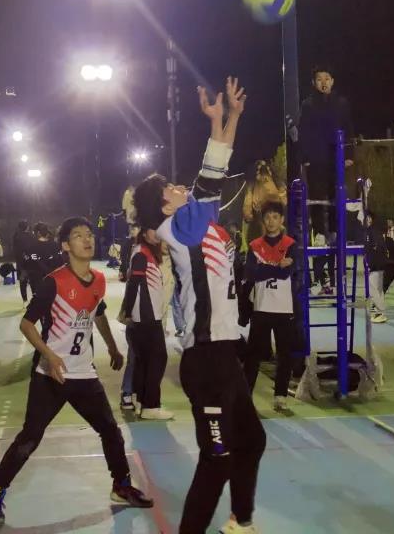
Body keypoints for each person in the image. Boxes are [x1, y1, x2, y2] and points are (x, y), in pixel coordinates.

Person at [133, 76, 266, 534]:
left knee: (251, 441)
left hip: (225, 352)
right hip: (207, 359)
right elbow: (211, 172)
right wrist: (219, 121)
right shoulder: (180, 228)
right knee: (217, 458)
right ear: (165, 207)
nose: (180, 187)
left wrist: (229, 117)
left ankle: (240, 521)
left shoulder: (195, 223)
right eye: (172, 187)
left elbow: (215, 172)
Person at [0, 217, 153, 522]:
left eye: (89, 234)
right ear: (65, 245)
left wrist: (112, 347)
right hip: (51, 375)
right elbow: (27, 324)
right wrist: (49, 355)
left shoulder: (98, 280)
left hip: (84, 374)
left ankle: (121, 486)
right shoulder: (54, 282)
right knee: (30, 437)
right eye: (78, 235)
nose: (87, 239)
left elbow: (97, 313)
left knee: (111, 431)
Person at [240, 200, 298, 411]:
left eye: (275, 217)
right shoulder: (255, 246)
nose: (271, 221)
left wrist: (265, 268)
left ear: (281, 220)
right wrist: (277, 267)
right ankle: (246, 396)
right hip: (261, 308)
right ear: (263, 221)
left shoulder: (290, 244)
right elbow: (251, 273)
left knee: (285, 354)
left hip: (284, 308)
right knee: (253, 356)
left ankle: (280, 396)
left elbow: (287, 273)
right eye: (267, 217)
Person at [118, 228, 173, 420]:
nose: (158, 234)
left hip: (147, 316)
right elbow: (133, 283)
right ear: (144, 233)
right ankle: (151, 405)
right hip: (146, 317)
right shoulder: (142, 253)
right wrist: (128, 313)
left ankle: (140, 399)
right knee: (158, 359)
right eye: (153, 230)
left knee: (144, 361)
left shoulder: (147, 252)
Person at [298, 65, 354, 252]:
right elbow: (303, 132)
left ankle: (336, 231)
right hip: (316, 158)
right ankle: (320, 232)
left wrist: (349, 155)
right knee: (316, 196)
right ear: (314, 83)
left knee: (336, 194)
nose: (323, 82)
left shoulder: (341, 103)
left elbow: (348, 129)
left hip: (336, 157)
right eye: (319, 79)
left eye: (327, 79)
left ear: (332, 81)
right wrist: (304, 156)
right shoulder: (307, 105)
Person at [242, 159, 287, 243]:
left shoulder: (274, 179)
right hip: (263, 214)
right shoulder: (253, 183)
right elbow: (284, 198)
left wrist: (248, 215)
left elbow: (284, 198)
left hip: (268, 212)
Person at [363, 214, 390, 323]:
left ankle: (380, 313)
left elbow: (376, 247)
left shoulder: (372, 231)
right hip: (380, 264)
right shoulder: (374, 230)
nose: (367, 220)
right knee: (378, 289)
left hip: (377, 264)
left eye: (368, 218)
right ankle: (380, 312)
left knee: (373, 289)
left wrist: (372, 263)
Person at [23, 222, 64, 287]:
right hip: (55, 280)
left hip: (37, 282)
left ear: (38, 233)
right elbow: (61, 262)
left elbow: (27, 264)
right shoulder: (55, 245)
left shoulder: (31, 247)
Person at [11, 220, 34, 304]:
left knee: (23, 282)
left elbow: (15, 250)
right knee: (33, 281)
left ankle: (24, 300)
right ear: (27, 227)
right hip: (31, 263)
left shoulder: (16, 236)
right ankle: (35, 298)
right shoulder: (31, 236)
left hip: (21, 263)